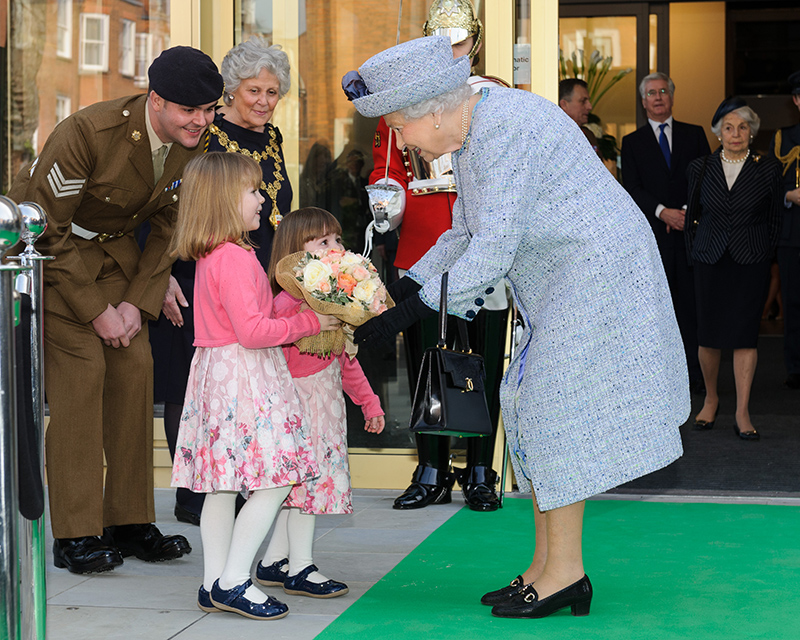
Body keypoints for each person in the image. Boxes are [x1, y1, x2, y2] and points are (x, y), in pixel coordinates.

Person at [343, 35, 687, 620]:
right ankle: (549, 567)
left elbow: (493, 249)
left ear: (431, 106)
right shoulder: (479, 128)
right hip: (565, 283)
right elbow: (462, 234)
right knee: (532, 406)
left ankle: (565, 574)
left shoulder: (503, 124)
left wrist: (409, 313)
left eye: (401, 125)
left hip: (596, 279)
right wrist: (393, 293)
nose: (401, 140)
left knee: (555, 415)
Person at [7, 46, 223, 574]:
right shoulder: (88, 132)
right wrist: (97, 310)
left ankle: (128, 521)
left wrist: (134, 303)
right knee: (82, 380)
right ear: (155, 102)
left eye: (210, 109)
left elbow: (173, 226)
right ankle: (77, 533)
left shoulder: (192, 144)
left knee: (134, 373)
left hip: (119, 258)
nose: (201, 121)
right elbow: (45, 229)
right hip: (53, 260)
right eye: (189, 111)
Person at [169, 153, 340, 620]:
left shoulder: (211, 255)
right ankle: (234, 579)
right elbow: (253, 331)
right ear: (225, 200)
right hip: (246, 377)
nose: (261, 199)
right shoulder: (240, 259)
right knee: (276, 480)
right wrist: (309, 321)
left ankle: (212, 582)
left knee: (221, 487)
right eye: (252, 191)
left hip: (214, 375)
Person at [367, 0, 509, 512]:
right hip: (426, 238)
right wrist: (386, 198)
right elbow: (387, 169)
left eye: (460, 42)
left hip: (484, 243)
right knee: (426, 361)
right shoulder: (405, 102)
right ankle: (429, 467)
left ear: (474, 43)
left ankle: (479, 467)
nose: (453, 52)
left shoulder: (494, 95)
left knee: (483, 362)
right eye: (442, 43)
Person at [150, 37, 295, 525]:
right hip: (197, 277)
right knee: (187, 384)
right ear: (230, 91)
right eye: (253, 90)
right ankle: (196, 495)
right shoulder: (204, 137)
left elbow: (278, 208)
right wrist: (164, 276)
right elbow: (169, 211)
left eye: (272, 92)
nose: (262, 101)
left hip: (256, 271)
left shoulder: (271, 139)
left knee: (238, 389)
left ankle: (231, 484)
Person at [255, 207, 385, 599]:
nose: (335, 248)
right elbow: (271, 352)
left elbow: (346, 360)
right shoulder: (284, 305)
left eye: (337, 240)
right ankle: (301, 568)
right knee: (304, 491)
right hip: (298, 409)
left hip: (325, 410)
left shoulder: (333, 304)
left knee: (300, 493)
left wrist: (370, 403)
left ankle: (275, 560)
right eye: (323, 241)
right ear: (297, 251)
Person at [687, 98, 782, 440]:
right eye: (728, 127)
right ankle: (710, 400)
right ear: (718, 132)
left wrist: (764, 253)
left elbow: (774, 219)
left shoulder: (768, 168)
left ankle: (742, 411)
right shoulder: (699, 167)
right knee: (708, 335)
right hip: (709, 259)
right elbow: (692, 220)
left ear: (752, 132)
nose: (735, 133)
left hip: (750, 261)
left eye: (743, 127)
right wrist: (694, 255)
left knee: (745, 336)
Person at [621, 72, 710, 395]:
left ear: (671, 97)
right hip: (654, 237)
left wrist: (686, 211)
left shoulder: (694, 135)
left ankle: (695, 375)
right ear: (644, 101)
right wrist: (663, 212)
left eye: (663, 91)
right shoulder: (632, 143)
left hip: (691, 235)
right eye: (651, 93)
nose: (658, 97)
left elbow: (706, 179)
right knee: (657, 307)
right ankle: (660, 377)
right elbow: (631, 188)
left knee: (690, 307)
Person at [770, 69, 800, 389]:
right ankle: (795, 365)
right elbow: (768, 185)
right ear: (795, 100)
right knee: (792, 301)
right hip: (794, 233)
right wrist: (788, 195)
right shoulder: (784, 137)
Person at [558, 78, 600, 156]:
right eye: (583, 101)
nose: (589, 107)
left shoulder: (588, 135)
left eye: (588, 101)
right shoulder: (554, 138)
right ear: (564, 104)